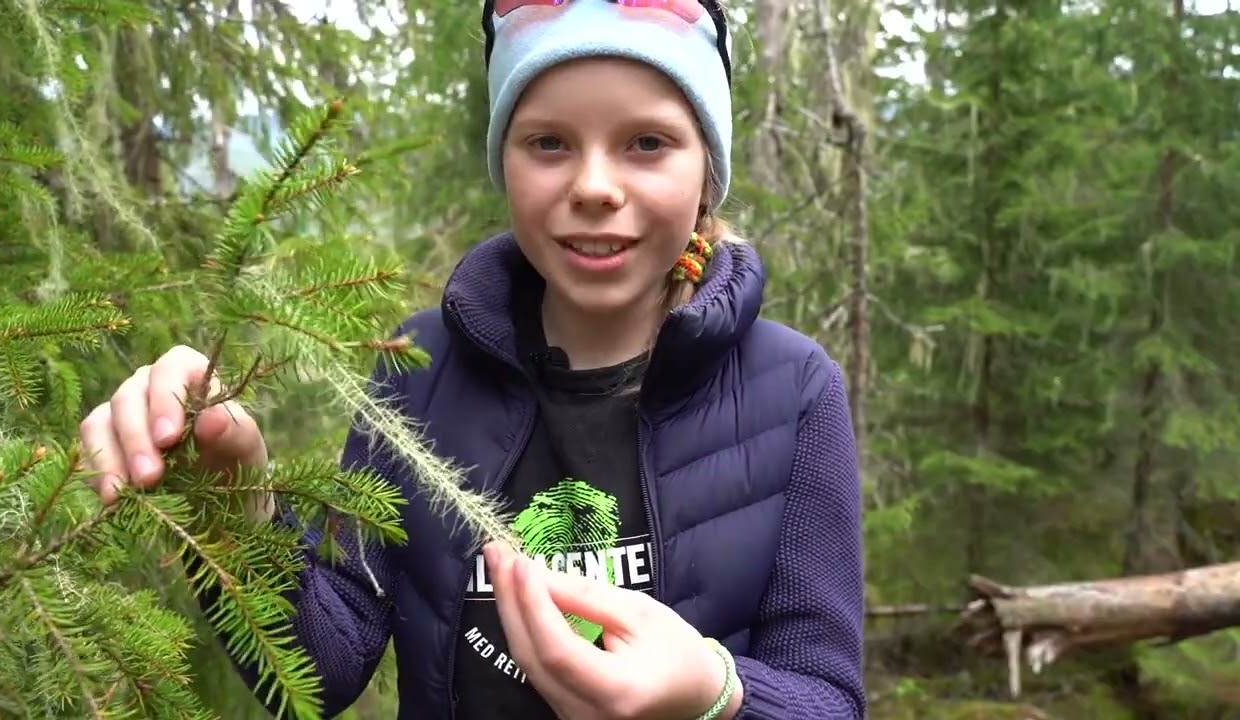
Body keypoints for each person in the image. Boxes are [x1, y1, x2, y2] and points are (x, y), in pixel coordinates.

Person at [77, 0, 866, 718]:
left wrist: (715, 691)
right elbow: (322, 668)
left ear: (706, 175)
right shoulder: (416, 372)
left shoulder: (791, 390)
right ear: (506, 162)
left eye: (648, 142)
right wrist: (234, 502)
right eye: (548, 142)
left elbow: (828, 698)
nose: (594, 185)